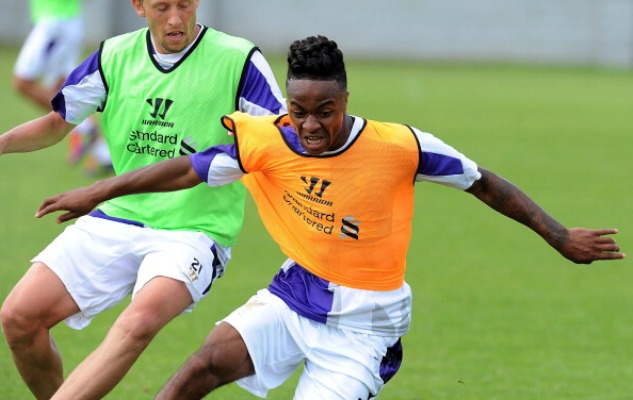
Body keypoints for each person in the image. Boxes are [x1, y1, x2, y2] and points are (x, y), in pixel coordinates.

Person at [34, 35, 624, 400]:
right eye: (299, 110)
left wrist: (560, 236)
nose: (311, 125)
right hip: (296, 292)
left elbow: (483, 182)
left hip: (365, 325)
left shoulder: (400, 147)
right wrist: (98, 191)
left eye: (326, 111)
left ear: (346, 101)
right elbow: (187, 169)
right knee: (203, 366)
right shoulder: (269, 137)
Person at [0, 0, 286, 398]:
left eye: (184, 5)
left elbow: (283, 136)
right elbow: (54, 124)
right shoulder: (113, 55)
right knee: (18, 317)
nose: (175, 18)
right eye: (161, 7)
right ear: (138, 6)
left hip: (195, 231)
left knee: (137, 324)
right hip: (118, 215)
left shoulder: (238, 59)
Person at [13, 0, 112, 174]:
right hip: (64, 22)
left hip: (55, 23)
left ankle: (85, 128)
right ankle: (103, 154)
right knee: (63, 91)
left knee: (23, 82)